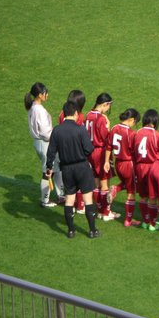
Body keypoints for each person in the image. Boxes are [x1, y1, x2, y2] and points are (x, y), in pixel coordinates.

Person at [45, 101, 99, 239]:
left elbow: (51, 152)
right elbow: (89, 149)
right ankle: (92, 230)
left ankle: (70, 231)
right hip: (82, 167)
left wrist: (49, 167)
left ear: (63, 113)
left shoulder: (57, 130)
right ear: (76, 113)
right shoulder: (80, 129)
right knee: (88, 198)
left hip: (67, 169)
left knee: (69, 199)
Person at [24, 82, 64, 208]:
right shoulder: (39, 110)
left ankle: (61, 195)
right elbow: (46, 132)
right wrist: (57, 138)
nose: (47, 95)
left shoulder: (32, 107)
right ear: (40, 95)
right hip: (45, 142)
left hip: (40, 142)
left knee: (56, 167)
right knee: (48, 171)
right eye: (45, 93)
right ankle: (45, 200)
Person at [85, 93, 120, 221]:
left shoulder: (88, 115)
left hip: (90, 152)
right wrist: (108, 125)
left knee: (95, 182)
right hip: (100, 152)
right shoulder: (100, 119)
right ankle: (106, 212)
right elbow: (107, 138)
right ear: (105, 104)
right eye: (108, 106)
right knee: (104, 183)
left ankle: (99, 210)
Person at [104, 108, 142, 227]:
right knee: (131, 191)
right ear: (131, 120)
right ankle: (128, 221)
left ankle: (116, 188)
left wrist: (106, 161)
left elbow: (109, 146)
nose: (134, 125)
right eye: (135, 122)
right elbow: (135, 153)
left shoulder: (114, 128)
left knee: (127, 183)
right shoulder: (131, 134)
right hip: (128, 164)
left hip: (118, 163)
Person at [133, 109, 159, 230]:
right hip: (152, 167)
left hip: (139, 167)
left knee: (143, 196)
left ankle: (146, 221)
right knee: (154, 197)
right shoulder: (157, 135)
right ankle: (153, 223)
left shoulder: (137, 133)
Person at [59, 90, 86, 214]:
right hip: (77, 152)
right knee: (81, 179)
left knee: (70, 181)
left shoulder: (62, 114)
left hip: (64, 152)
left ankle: (73, 203)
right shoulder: (79, 117)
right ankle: (80, 205)